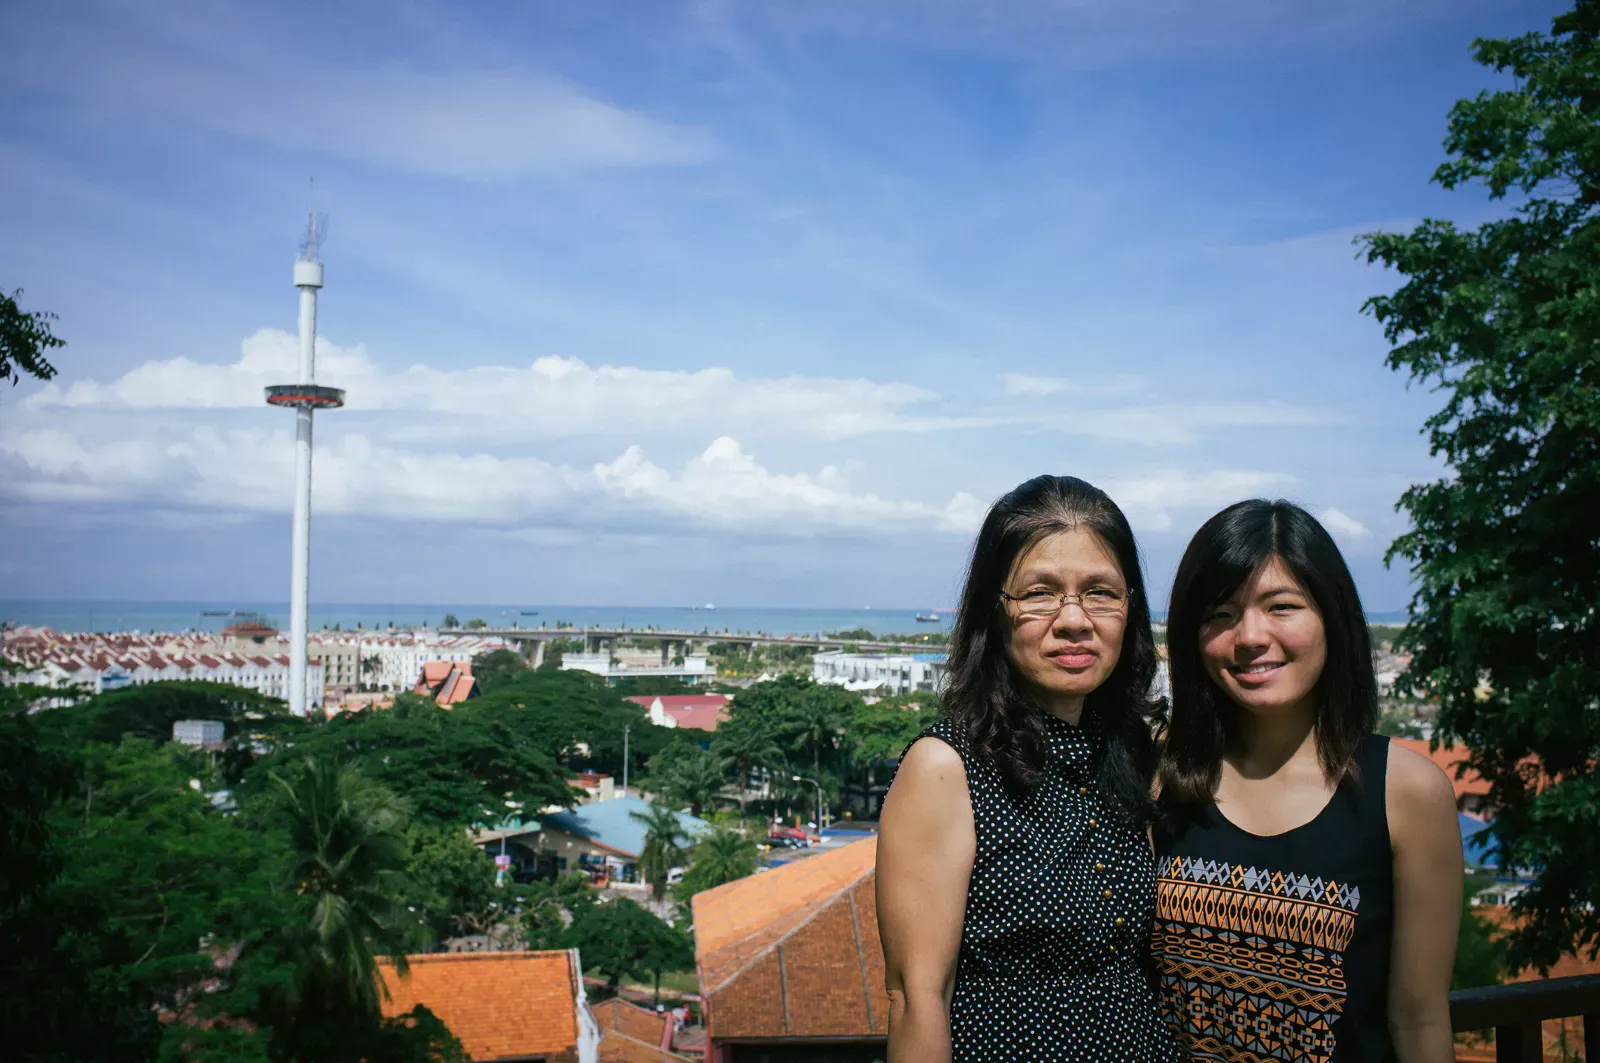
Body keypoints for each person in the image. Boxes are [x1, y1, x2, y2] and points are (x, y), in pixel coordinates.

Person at [877, 475, 1182, 1063]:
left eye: (1100, 592)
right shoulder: (947, 768)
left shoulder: (1135, 754)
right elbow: (917, 998)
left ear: (1130, 610)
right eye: (1040, 593)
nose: (1073, 620)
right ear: (995, 611)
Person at [1153, 500, 1462, 1063]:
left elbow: (1419, 1019)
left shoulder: (1405, 792)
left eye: (1282, 606)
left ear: (1331, 617)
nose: (1250, 635)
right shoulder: (1164, 780)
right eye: (1220, 614)